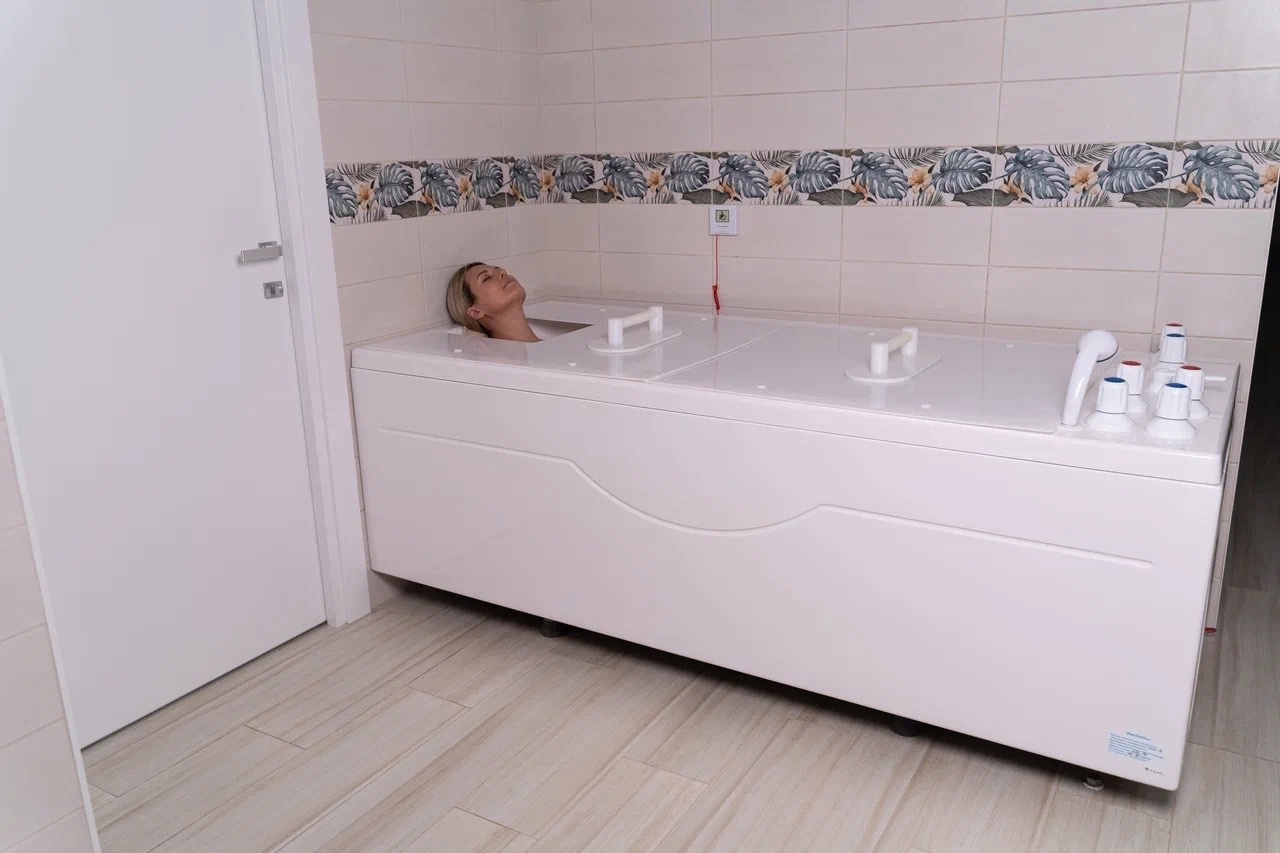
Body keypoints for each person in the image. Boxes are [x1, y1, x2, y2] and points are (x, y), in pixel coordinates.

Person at [445, 262, 540, 342]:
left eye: (498, 269)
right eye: (486, 278)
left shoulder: (546, 348)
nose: (502, 271)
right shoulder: (498, 359)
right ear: (476, 312)